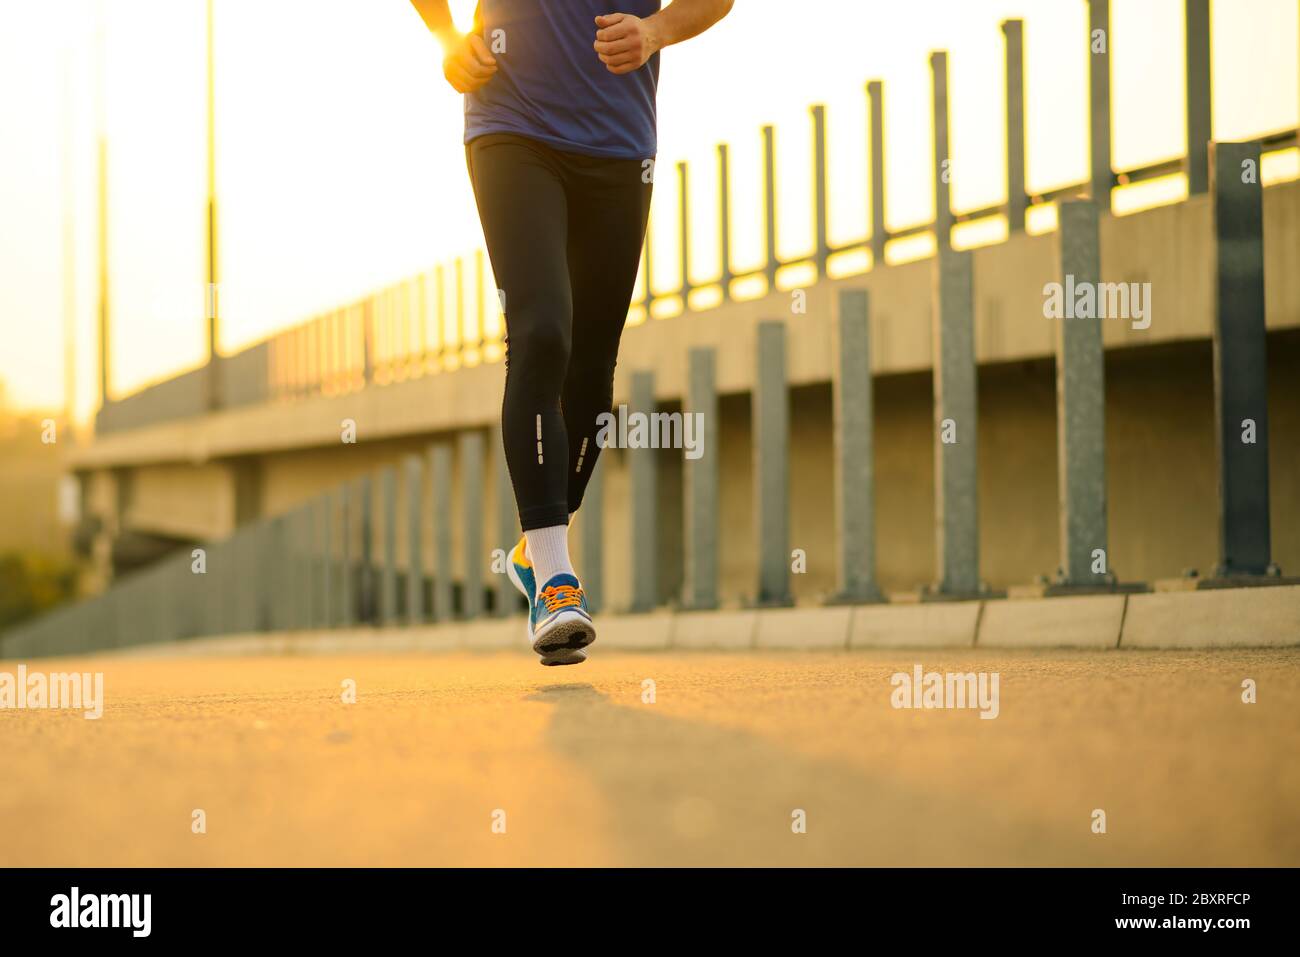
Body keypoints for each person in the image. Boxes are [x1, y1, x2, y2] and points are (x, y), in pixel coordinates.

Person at [410, 0, 733, 665]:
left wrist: (655, 31)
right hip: (511, 124)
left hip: (619, 144)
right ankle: (557, 580)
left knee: (591, 365)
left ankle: (535, 551)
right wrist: (444, 35)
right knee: (541, 332)